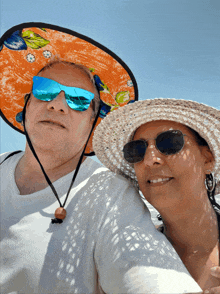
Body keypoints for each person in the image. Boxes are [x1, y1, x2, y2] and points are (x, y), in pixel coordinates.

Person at [0, 23, 202, 293]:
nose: (57, 104)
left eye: (79, 100)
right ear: (27, 104)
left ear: (93, 124)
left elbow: (146, 270)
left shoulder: (110, 194)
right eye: (44, 89)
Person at [93, 97, 220, 292]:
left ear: (208, 159)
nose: (150, 159)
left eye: (170, 143)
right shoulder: (119, 264)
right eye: (137, 150)